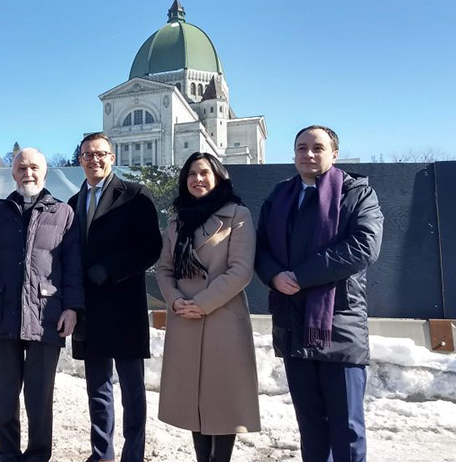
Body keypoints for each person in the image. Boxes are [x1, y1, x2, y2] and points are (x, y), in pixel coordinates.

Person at [255, 125, 384, 462]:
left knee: (347, 428)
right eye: (301, 148)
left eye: (317, 148)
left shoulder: (356, 193)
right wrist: (273, 276)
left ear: (334, 154)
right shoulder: (279, 196)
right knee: (310, 428)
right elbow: (261, 247)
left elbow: (364, 246)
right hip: (292, 323)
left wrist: (300, 275)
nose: (308, 154)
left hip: (338, 327)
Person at [0, 147, 84, 462]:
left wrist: (72, 307)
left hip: (46, 314)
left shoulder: (63, 213)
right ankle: (8, 452)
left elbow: (73, 266)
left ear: (44, 171)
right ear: (13, 173)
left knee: (39, 398)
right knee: (4, 399)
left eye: (34, 167)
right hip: (2, 314)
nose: (28, 173)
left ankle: (37, 455)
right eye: (21, 168)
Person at [154, 152, 260, 462]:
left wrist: (202, 304)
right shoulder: (177, 221)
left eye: (204, 173)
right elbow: (164, 268)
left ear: (218, 177)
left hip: (222, 319)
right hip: (184, 319)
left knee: (222, 399)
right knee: (193, 401)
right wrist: (175, 300)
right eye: (191, 174)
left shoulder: (238, 215)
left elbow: (240, 271)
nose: (197, 179)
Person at [67, 132, 162, 462]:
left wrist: (112, 268)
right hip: (89, 310)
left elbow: (152, 247)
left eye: (100, 154)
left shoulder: (135, 195)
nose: (94, 159)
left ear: (112, 157)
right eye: (87, 154)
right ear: (80, 159)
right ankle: (101, 454)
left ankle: (132, 455)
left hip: (124, 308)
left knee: (132, 391)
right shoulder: (72, 202)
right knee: (98, 389)